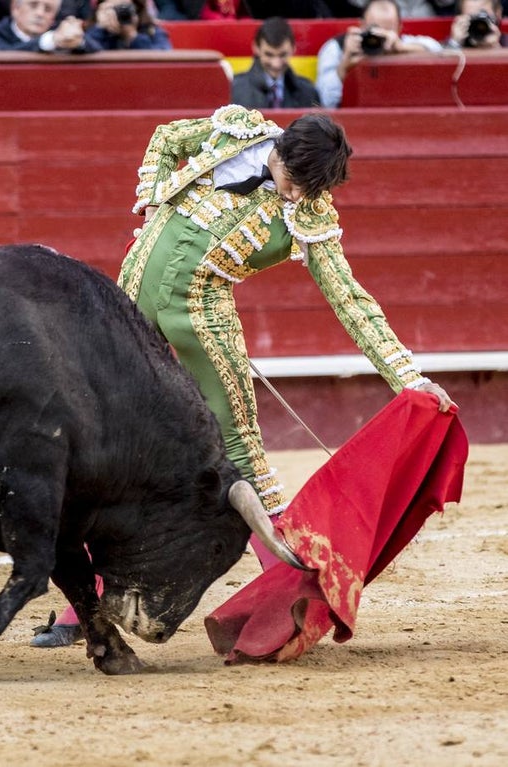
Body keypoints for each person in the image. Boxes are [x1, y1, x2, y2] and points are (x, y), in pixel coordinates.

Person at [30, 104, 455, 648]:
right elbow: (165, 138)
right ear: (278, 153)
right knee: (108, 448)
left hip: (203, 319)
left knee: (241, 451)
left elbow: (349, 299)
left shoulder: (310, 213)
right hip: (129, 301)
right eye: (296, 183)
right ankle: (80, 610)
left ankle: (289, 593)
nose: (299, 198)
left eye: (311, 191)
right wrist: (154, 194)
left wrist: (409, 378)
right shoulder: (235, 132)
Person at [315, 0, 442, 108]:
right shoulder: (337, 48)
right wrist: (344, 66)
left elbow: (439, 52)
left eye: (387, 31)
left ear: (399, 28)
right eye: (375, 29)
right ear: (362, 25)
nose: (380, 37)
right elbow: (326, 103)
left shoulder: (403, 44)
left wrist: (401, 48)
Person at [231, 17, 321, 108]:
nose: (276, 64)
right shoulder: (233, 90)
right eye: (269, 55)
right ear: (256, 48)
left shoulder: (308, 92)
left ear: (293, 48)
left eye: (283, 55)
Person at [0, 0, 98, 52]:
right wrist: (49, 41)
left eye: (48, 9)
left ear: (53, 17)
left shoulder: (59, 33)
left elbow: (98, 50)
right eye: (33, 5)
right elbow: (3, 55)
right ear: (15, 8)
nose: (40, 14)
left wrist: (77, 40)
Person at [86, 0, 171, 50]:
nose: (119, 13)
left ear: (138, 8)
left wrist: (132, 36)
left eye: (125, 8)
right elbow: (88, 51)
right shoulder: (97, 32)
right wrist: (100, 26)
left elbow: (162, 61)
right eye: (113, 9)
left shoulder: (152, 31)